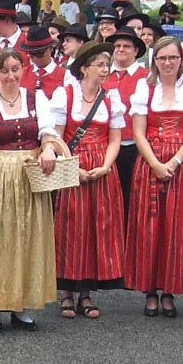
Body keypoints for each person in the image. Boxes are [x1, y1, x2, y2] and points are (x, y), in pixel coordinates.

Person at [0, 48, 59, 332]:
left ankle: (22, 305)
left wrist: (48, 149)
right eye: (4, 70)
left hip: (31, 175)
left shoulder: (36, 98)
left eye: (15, 69)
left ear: (23, 70)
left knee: (27, 237)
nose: (10, 76)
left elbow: (47, 132)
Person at [124, 37, 183, 317]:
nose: (167, 63)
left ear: (181, 60)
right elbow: (139, 133)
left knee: (177, 226)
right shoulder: (144, 88)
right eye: (162, 58)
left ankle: (170, 290)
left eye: (173, 58)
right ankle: (150, 290)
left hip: (182, 163)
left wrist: (174, 161)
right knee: (149, 226)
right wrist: (156, 164)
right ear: (154, 61)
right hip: (150, 162)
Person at [50, 41, 126, 319]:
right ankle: (66, 293)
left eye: (107, 65)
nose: (105, 69)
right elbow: (56, 138)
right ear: (84, 68)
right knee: (70, 227)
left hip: (101, 169)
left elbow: (115, 139)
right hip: (72, 166)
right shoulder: (65, 95)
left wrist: (106, 166)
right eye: (100, 65)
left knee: (96, 228)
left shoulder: (111, 98)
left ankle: (86, 292)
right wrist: (72, 167)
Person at [103, 27, 149, 212]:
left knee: (132, 197)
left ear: (136, 51)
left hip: (134, 146)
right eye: (117, 46)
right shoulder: (104, 73)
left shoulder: (146, 77)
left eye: (126, 46)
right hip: (107, 146)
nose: (121, 49)